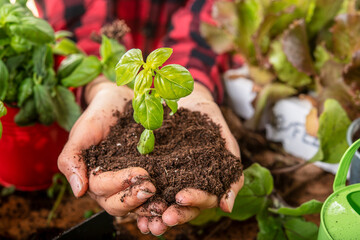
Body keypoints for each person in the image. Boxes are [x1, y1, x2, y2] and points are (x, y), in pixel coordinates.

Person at [35, 0, 244, 236]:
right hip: (119, 74)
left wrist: (197, 90)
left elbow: (210, 16)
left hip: (179, 63)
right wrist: (104, 86)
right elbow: (75, 16)